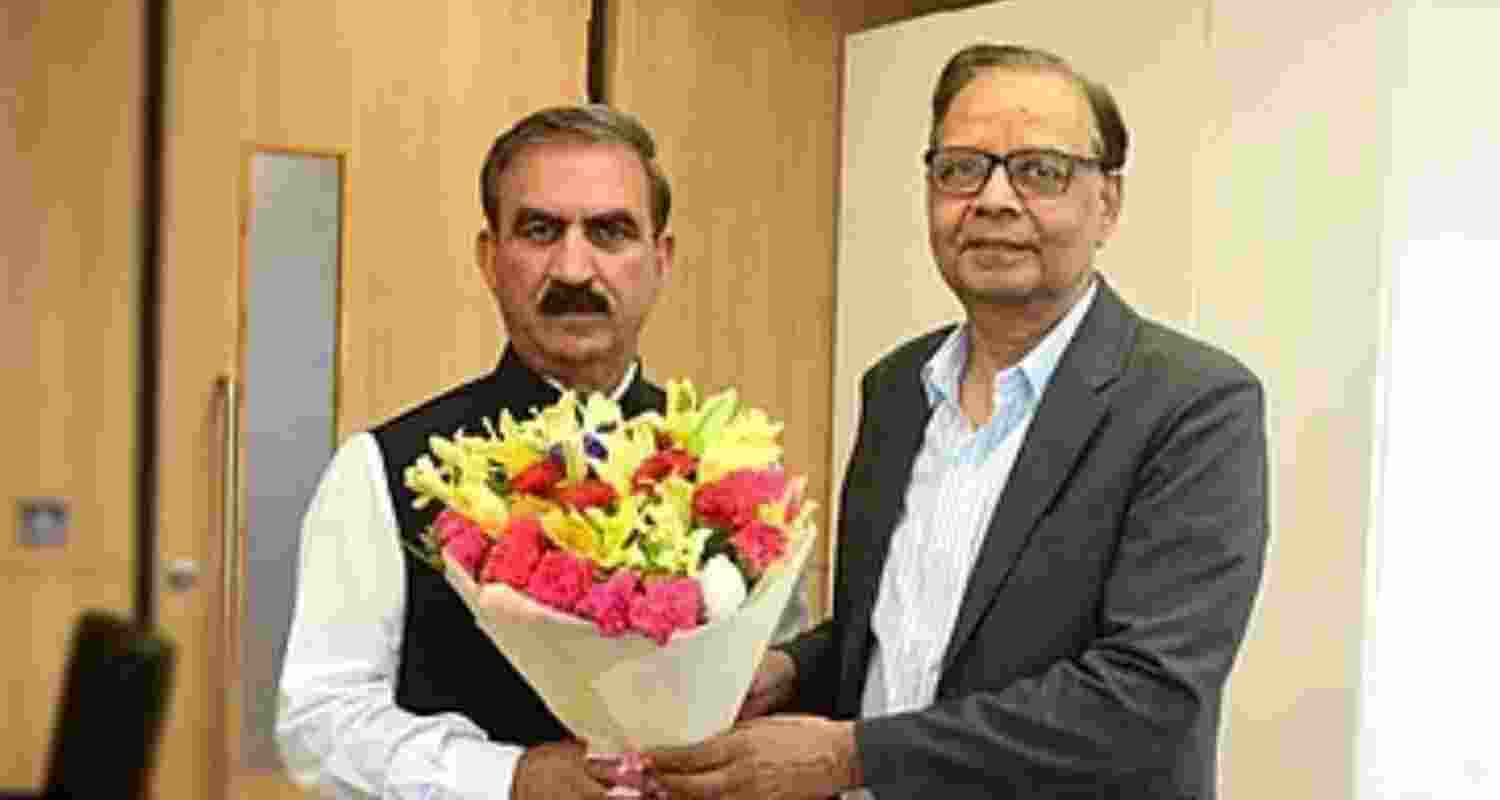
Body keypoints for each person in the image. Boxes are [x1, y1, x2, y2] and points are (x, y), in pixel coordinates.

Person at [647, 44, 1269, 799]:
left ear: (1107, 203)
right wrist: (791, 669)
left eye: (1040, 170)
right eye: (961, 168)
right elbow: (896, 632)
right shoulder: (897, 389)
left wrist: (854, 757)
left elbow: (1147, 698)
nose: (994, 200)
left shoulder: (1193, 405)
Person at [276, 104, 805, 799]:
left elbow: (771, 686)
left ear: (661, 259)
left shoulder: (729, 473)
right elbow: (321, 722)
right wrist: (511, 779)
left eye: (610, 232)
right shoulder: (384, 469)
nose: (574, 267)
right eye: (539, 230)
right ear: (490, 258)